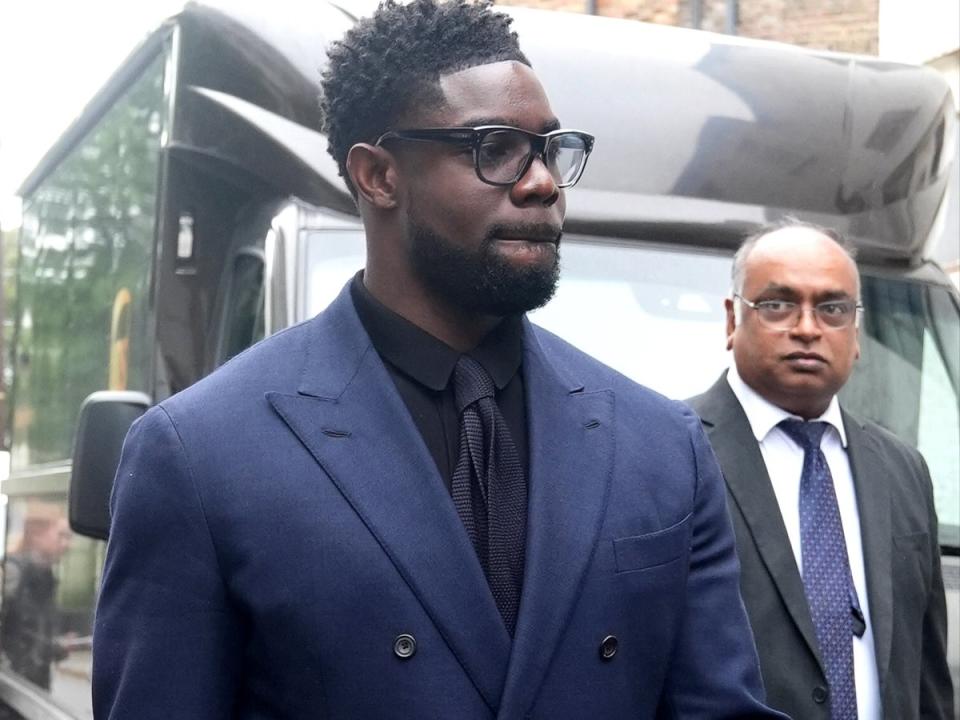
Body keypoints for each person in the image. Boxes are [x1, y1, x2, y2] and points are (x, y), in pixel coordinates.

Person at [93, 1, 783, 717]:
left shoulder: (662, 444)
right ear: (379, 176)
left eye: (550, 148)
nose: (542, 181)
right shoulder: (203, 453)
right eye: (495, 148)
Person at [688, 220, 954, 720]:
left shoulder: (902, 469)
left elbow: (926, 672)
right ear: (731, 320)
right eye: (777, 304)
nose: (807, 328)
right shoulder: (672, 451)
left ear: (855, 332)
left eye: (832, 308)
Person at [1, 503, 72, 690]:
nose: (67, 544)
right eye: (61, 536)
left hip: (32, 688)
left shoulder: (45, 576)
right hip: (10, 693)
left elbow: (30, 635)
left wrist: (56, 646)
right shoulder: (12, 572)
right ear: (37, 535)